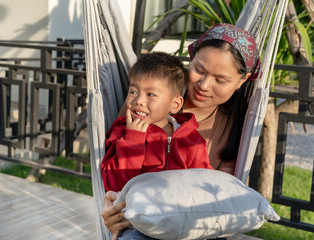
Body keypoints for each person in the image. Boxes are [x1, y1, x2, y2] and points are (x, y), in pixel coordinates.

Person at [101, 23, 261, 239]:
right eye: (199, 70)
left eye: (220, 80)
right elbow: (114, 175)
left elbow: (219, 199)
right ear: (191, 59)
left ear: (241, 81)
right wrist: (113, 210)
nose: (203, 85)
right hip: (136, 220)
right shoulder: (145, 102)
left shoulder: (229, 128)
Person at [101, 51, 212, 193]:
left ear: (175, 104)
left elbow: (203, 182)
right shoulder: (121, 133)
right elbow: (114, 185)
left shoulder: (192, 140)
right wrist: (132, 142)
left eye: (150, 94)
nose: (138, 101)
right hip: (136, 210)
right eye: (133, 92)